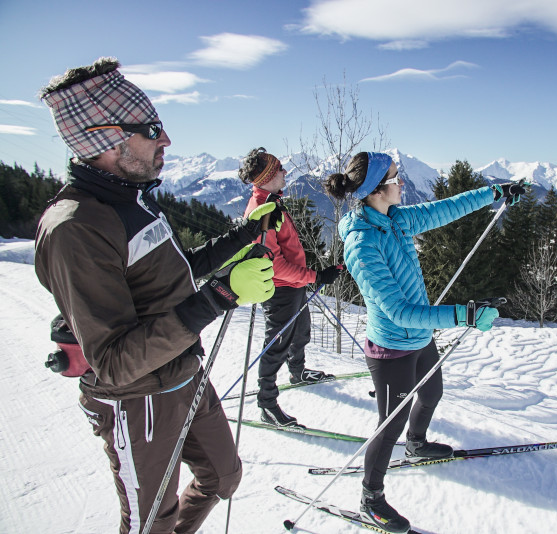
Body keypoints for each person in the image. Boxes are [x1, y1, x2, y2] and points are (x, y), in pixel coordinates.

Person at [34, 57, 278, 534]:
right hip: (134, 399)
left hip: (183, 373)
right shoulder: (76, 227)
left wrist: (244, 235)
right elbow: (115, 360)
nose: (165, 139)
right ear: (108, 139)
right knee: (151, 521)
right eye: (151, 129)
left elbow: (173, 272)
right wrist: (224, 294)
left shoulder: (132, 198)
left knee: (223, 478)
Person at [325, 152, 524, 534]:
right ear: (377, 190)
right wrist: (462, 315)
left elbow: (445, 210)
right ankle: (371, 497)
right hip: (391, 348)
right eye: (397, 178)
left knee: (433, 392)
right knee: (389, 425)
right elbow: (399, 311)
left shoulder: (396, 218)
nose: (403, 183)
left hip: (420, 338)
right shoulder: (361, 243)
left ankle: (417, 445)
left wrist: (494, 192)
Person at [239, 148, 343, 427]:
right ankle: (267, 404)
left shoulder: (272, 202)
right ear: (269, 176)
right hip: (279, 288)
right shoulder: (261, 211)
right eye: (280, 169)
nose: (286, 173)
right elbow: (273, 265)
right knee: (276, 344)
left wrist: (309, 277)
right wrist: (315, 276)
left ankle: (298, 372)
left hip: (293, 283)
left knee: (301, 331)